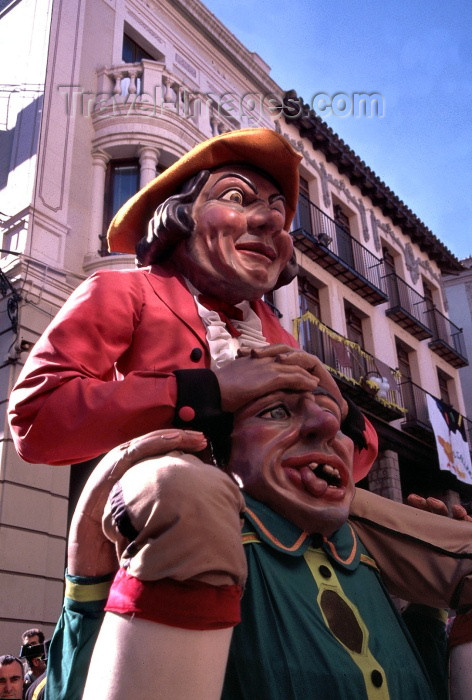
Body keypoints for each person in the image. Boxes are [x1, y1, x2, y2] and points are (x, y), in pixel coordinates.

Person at [7, 128, 375, 480]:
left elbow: (357, 460)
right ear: (180, 215)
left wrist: (339, 409)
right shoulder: (125, 291)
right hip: (173, 508)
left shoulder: (277, 335)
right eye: (235, 198)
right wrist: (205, 391)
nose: (269, 221)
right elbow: (37, 419)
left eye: (277, 213)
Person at [81, 382, 472, 699]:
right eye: (277, 412)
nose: (326, 425)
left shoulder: (367, 555)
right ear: (222, 449)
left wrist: (429, 605)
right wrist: (84, 563)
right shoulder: (204, 532)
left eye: (334, 415)